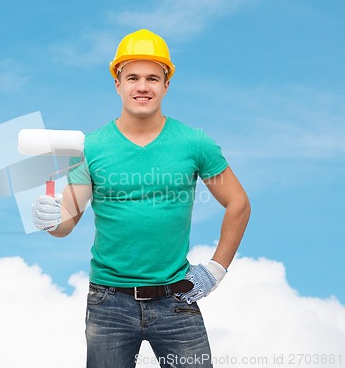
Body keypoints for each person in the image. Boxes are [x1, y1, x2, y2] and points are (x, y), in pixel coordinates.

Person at [31, 29, 251, 368]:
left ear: (166, 84)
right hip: (108, 304)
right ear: (117, 84)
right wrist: (51, 219)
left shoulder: (194, 143)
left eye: (153, 77)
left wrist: (216, 270)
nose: (142, 86)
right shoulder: (90, 149)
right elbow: (67, 222)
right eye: (132, 77)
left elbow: (238, 202)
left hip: (177, 298)